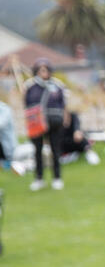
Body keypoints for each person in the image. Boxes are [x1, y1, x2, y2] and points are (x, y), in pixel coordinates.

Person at [23, 58, 69, 191]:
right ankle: (39, 178)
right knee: (37, 151)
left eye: (46, 69)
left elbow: (64, 104)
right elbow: (26, 105)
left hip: (54, 122)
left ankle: (57, 178)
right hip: (37, 123)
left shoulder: (57, 85)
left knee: (55, 150)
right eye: (40, 70)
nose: (43, 72)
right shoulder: (30, 86)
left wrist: (65, 119)